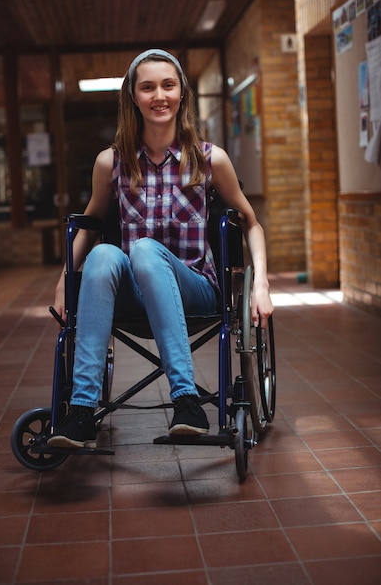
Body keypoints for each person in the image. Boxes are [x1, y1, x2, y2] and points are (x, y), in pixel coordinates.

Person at [48, 48, 273, 449]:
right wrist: (66, 279)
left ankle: (186, 400)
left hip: (195, 288)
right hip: (135, 293)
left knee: (146, 251)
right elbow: (90, 224)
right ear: (133, 97)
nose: (159, 95)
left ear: (182, 93)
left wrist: (261, 286)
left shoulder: (209, 160)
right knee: (103, 254)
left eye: (168, 85)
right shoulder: (111, 163)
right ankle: (81, 411)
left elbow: (251, 223)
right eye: (147, 87)